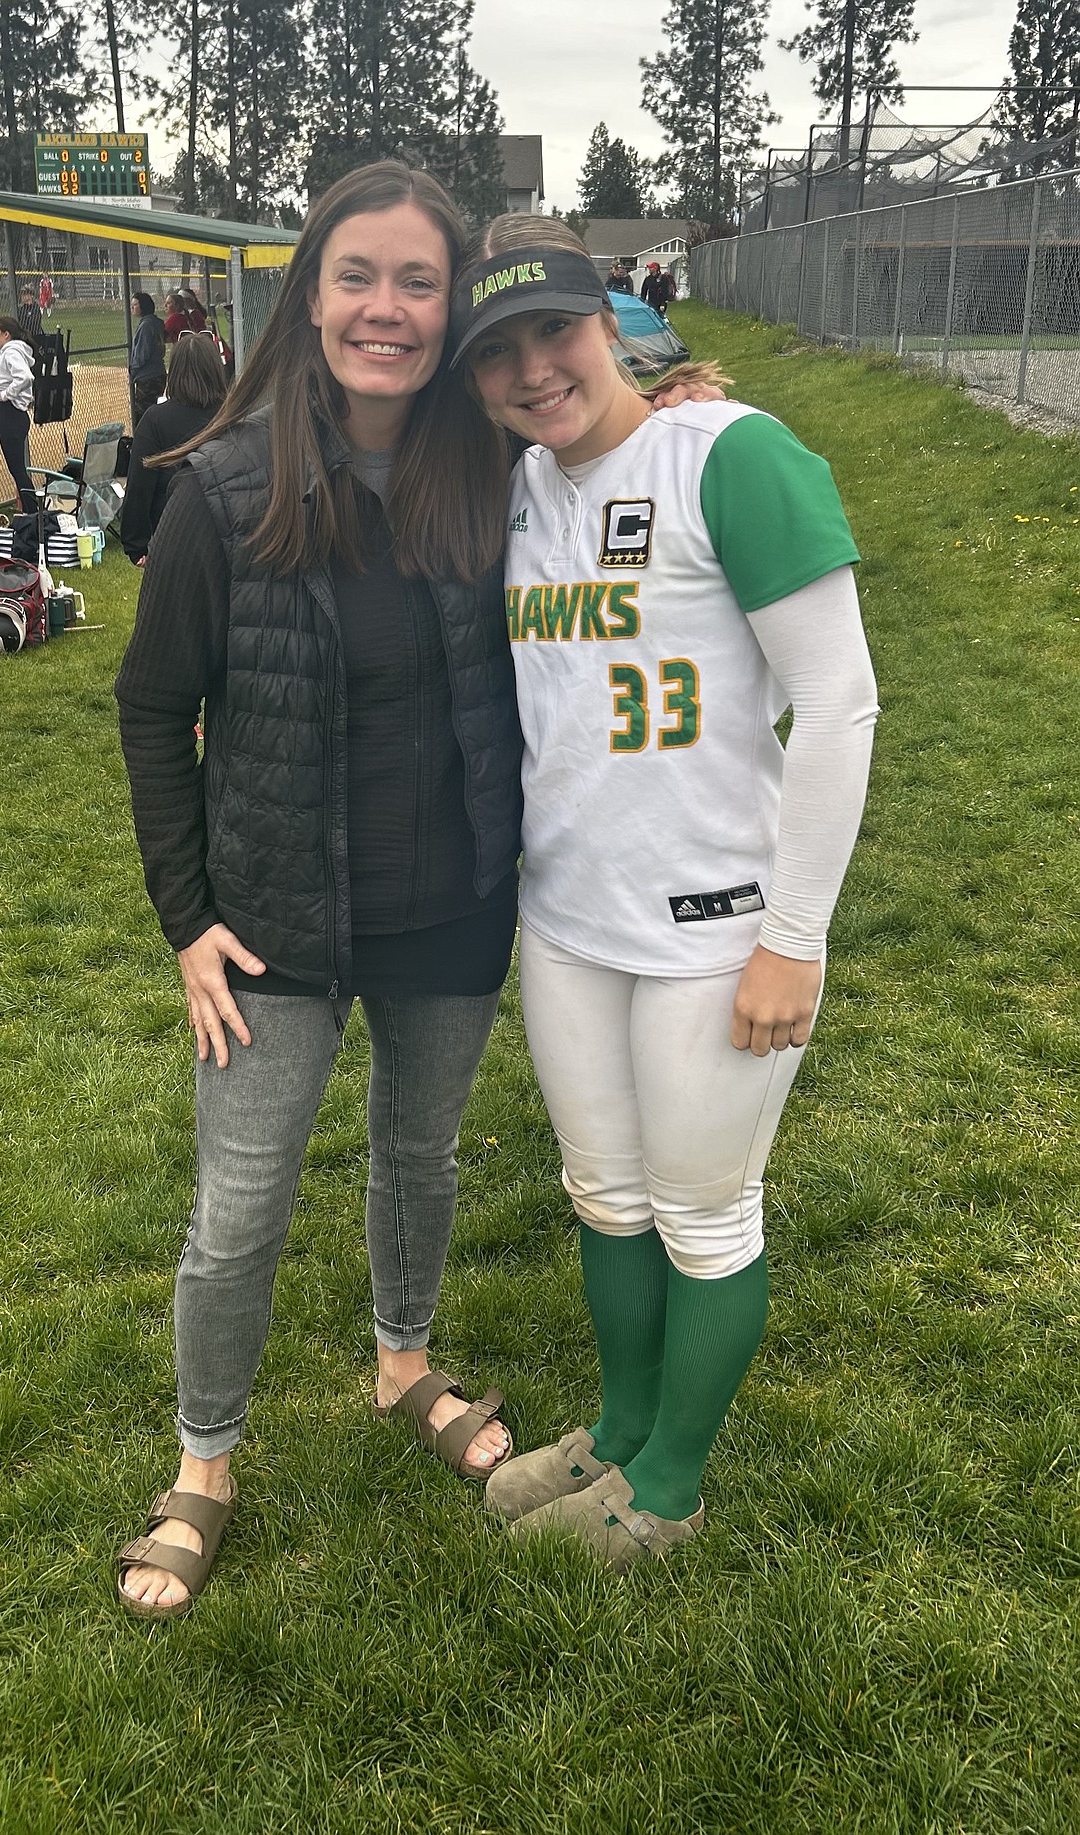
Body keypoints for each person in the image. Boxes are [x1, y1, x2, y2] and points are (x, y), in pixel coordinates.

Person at [113, 162, 524, 1619]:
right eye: (358, 276)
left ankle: (401, 1359)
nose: (387, 309)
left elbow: (611, 439)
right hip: (273, 924)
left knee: (421, 1158)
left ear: (448, 304)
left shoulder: (488, 468)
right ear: (310, 293)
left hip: (449, 907)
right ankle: (204, 1460)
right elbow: (153, 710)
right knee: (239, 1206)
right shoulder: (222, 491)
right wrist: (186, 921)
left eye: (419, 281)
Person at [452, 215, 878, 1572]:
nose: (533, 369)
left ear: (611, 321)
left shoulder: (733, 453)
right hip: (570, 917)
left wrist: (792, 940)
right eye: (499, 351)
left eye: (556, 330)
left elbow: (840, 702)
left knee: (703, 1208)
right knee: (604, 1193)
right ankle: (619, 1426)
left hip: (716, 931)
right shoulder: (516, 486)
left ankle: (670, 1486)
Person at [120, 333, 229, 565]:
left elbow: (140, 484)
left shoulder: (155, 420)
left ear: (175, 372)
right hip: (227, 531)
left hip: (173, 534)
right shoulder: (231, 414)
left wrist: (136, 543)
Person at [0, 316, 38, 514]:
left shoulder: (11, 352)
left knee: (17, 470)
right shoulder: (10, 351)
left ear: (6, 334)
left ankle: (33, 513)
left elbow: (25, 377)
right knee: (17, 469)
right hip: (12, 416)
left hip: (11, 415)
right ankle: (31, 511)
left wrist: (6, 394)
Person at [128, 292, 167, 426]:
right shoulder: (156, 322)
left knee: (142, 416)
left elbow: (141, 354)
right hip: (158, 373)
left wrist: (132, 372)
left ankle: (145, 443)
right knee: (151, 411)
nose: (132, 307)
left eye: (135, 304)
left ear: (143, 305)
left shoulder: (146, 325)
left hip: (148, 377)